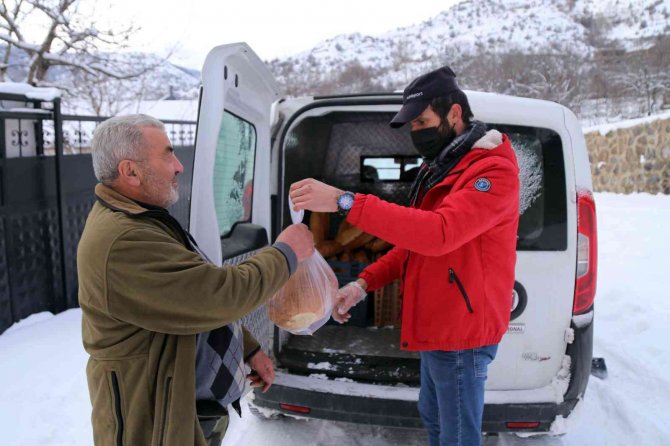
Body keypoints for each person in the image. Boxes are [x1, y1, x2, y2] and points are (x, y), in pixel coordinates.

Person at [289, 66, 520, 446]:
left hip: (461, 334)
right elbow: (414, 244)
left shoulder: (491, 172)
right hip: (437, 327)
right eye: (412, 125)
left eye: (423, 122)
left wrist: (344, 201)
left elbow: (439, 234)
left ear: (455, 114)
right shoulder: (442, 167)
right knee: (434, 418)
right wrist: (363, 284)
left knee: (457, 437)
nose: (417, 133)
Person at [77, 114, 314, 446]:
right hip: (153, 422)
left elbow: (191, 299)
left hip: (186, 407)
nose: (178, 166)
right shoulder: (123, 241)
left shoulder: (143, 219)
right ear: (130, 171)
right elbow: (217, 295)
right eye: (167, 154)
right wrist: (286, 253)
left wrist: (246, 348)